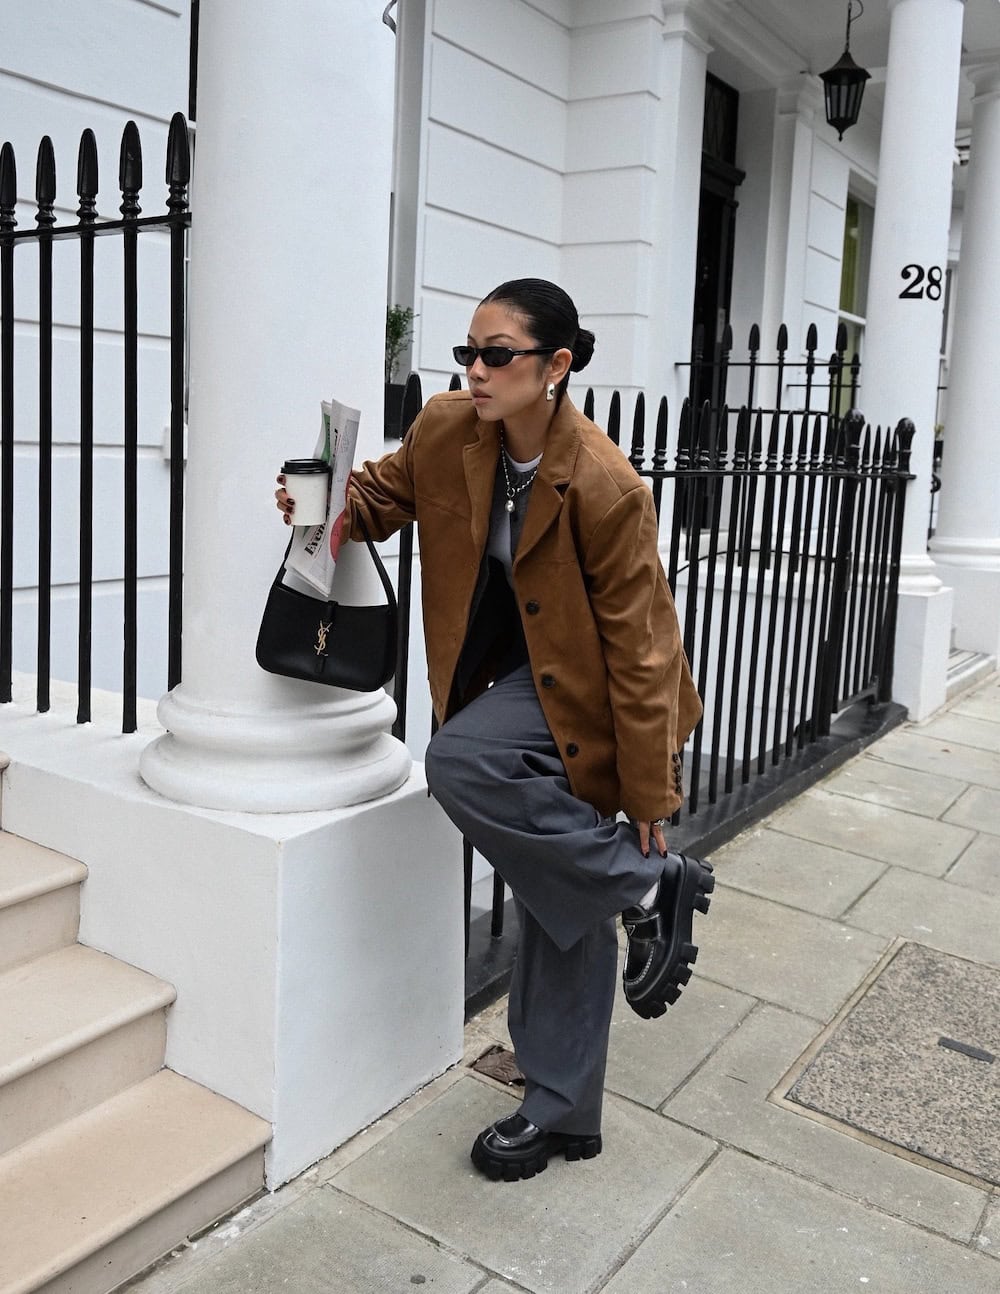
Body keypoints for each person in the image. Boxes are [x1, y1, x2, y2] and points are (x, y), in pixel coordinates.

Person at [275, 278, 711, 1183]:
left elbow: (641, 645)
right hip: (504, 678)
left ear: (554, 367)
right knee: (565, 885)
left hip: (587, 696)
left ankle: (642, 879)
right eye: (467, 352)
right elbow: (386, 496)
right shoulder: (447, 430)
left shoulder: (606, 483)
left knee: (460, 763)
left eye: (497, 354)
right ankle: (566, 1107)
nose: (475, 369)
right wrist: (323, 499)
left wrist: (647, 793)